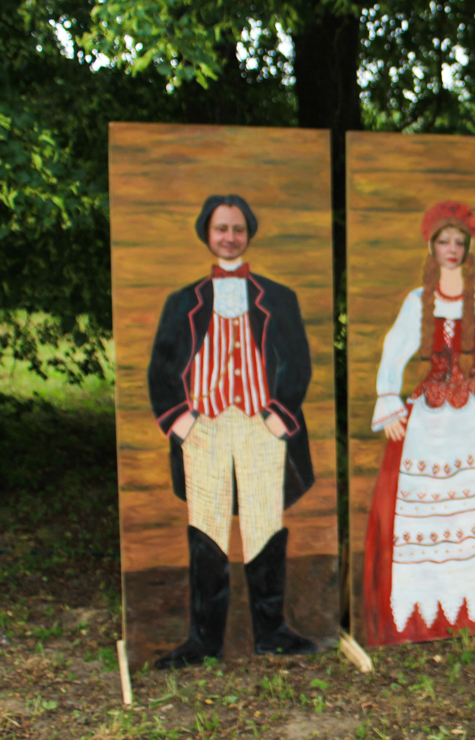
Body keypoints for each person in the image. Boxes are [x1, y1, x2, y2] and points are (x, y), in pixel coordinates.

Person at [147, 194, 317, 668]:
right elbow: (162, 369)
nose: (229, 237)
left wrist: (278, 417)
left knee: (265, 523)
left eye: (238, 228)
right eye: (221, 228)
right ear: (207, 232)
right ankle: (204, 641)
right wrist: (183, 424)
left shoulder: (278, 298)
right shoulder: (182, 302)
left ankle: (272, 633)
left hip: (262, 425)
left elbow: (297, 361)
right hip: (204, 427)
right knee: (207, 526)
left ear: (249, 234)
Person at [362, 200, 475, 646]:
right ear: (432, 246)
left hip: (473, 418)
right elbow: (394, 351)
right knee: (422, 511)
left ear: (467, 247)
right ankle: (423, 612)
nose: (452, 249)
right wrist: (388, 400)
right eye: (444, 241)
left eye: (459, 241)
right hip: (427, 418)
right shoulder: (417, 301)